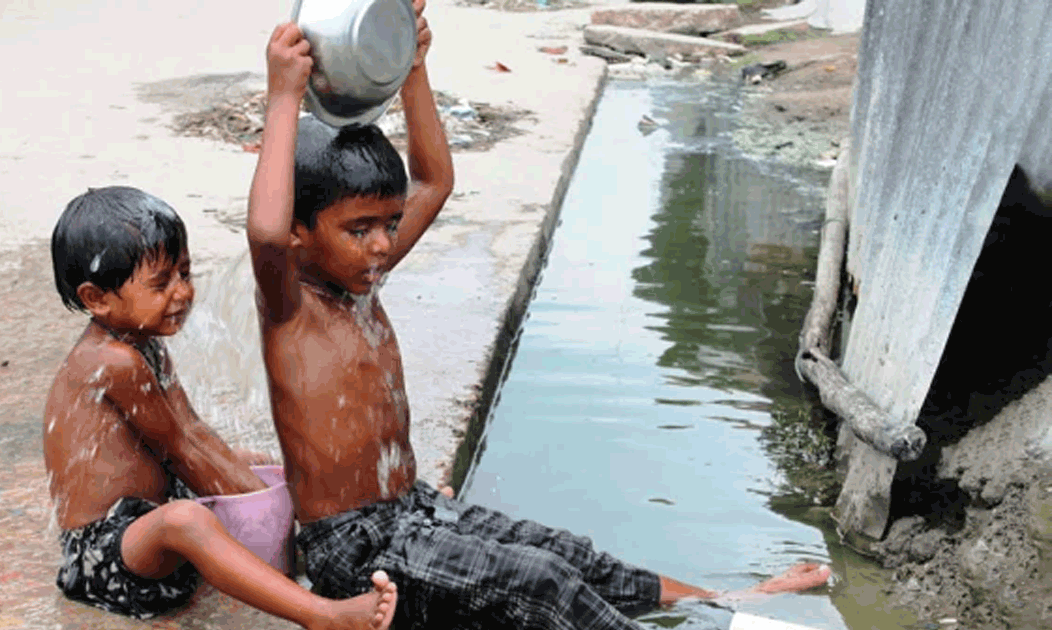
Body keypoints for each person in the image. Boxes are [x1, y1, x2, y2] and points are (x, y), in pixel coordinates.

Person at [246, 3, 832, 628]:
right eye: (359, 229)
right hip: (355, 550)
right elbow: (264, 231)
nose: (384, 245)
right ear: (302, 235)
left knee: (571, 556)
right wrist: (284, 96)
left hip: (410, 510)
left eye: (389, 225)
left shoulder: (362, 279)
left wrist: (413, 66)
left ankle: (731, 603)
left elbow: (435, 181)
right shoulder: (293, 309)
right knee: (541, 582)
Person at [43, 185, 397, 629]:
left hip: (144, 516)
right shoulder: (113, 361)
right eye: (160, 283)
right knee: (188, 520)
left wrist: (245, 480)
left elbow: (190, 428)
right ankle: (321, 614)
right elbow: (181, 449)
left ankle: (336, 543)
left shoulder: (143, 344)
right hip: (102, 555)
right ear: (97, 298)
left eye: (185, 274)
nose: (182, 293)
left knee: (248, 461)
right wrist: (259, 507)